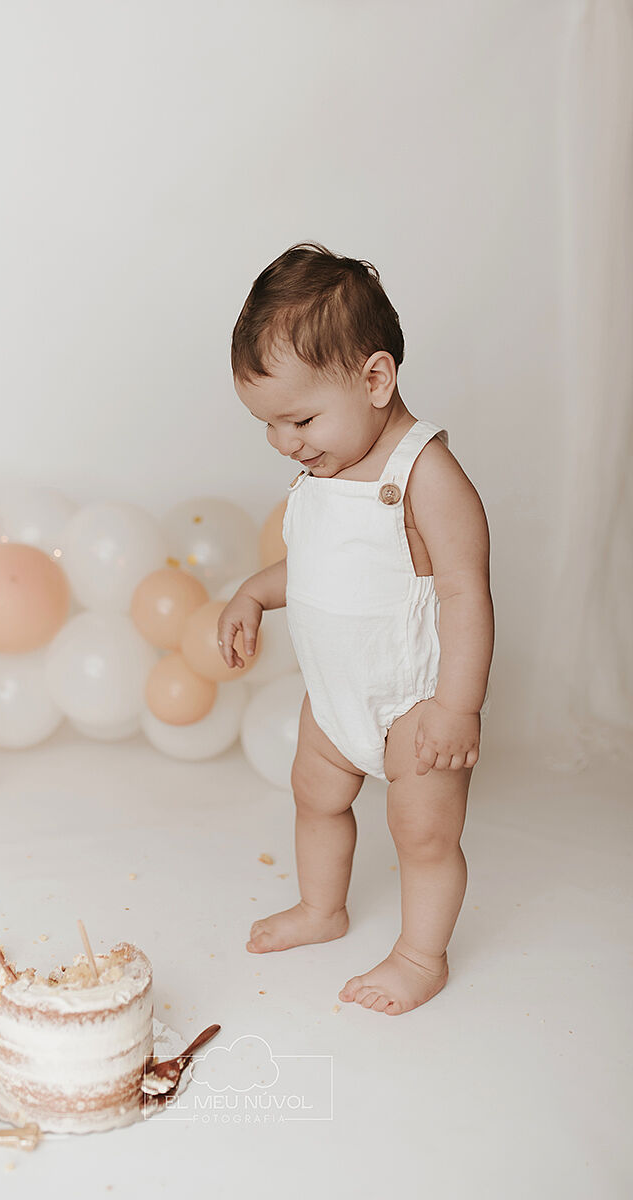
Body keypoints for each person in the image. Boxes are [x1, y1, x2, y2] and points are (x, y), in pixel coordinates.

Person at [217, 242, 494, 1015]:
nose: (284, 443)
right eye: (267, 425)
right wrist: (252, 592)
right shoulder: (323, 471)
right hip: (336, 700)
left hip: (412, 703)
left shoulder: (424, 474)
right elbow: (310, 569)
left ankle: (420, 955)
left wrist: (455, 707)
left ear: (376, 379)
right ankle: (321, 908)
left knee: (424, 835)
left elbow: (466, 594)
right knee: (315, 796)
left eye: (299, 419)